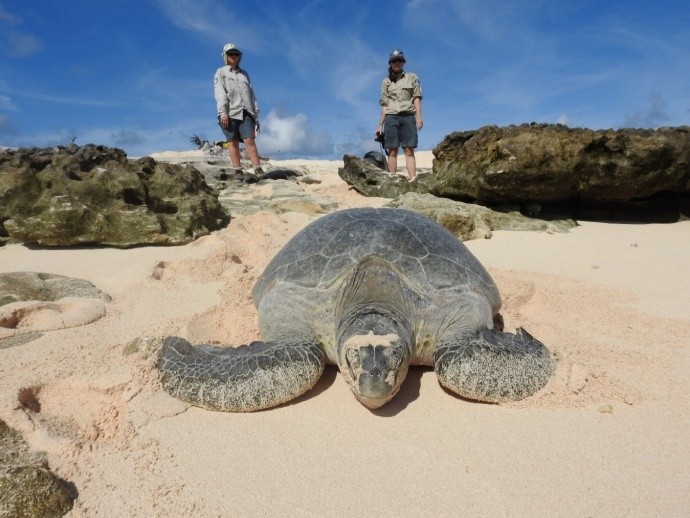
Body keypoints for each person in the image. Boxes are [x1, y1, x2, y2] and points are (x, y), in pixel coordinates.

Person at [214, 43, 264, 179]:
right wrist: (223, 113)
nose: (234, 56)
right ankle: (237, 170)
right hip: (229, 112)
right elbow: (220, 93)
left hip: (246, 111)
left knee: (249, 140)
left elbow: (252, 93)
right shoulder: (221, 72)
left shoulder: (244, 74)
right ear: (225, 56)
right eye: (231, 54)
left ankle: (258, 169)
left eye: (236, 54)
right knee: (233, 141)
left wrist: (256, 113)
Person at [376, 48, 423, 181]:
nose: (397, 63)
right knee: (392, 150)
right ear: (390, 63)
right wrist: (380, 125)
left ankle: (413, 179)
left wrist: (419, 117)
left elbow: (416, 98)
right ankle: (392, 181)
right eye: (394, 61)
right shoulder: (385, 82)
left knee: (409, 150)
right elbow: (385, 105)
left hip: (408, 116)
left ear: (403, 62)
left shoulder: (412, 77)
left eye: (399, 60)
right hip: (391, 118)